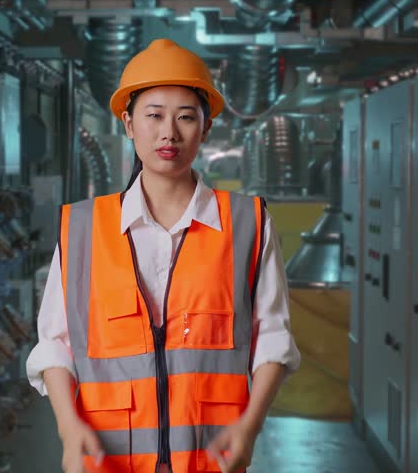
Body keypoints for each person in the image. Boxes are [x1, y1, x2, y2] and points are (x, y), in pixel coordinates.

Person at [26, 38, 300, 473]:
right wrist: (67, 427)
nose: (169, 132)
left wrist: (249, 427)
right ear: (128, 123)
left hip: (211, 459)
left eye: (186, 117)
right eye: (153, 116)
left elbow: (273, 338)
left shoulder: (247, 223)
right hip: (107, 459)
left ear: (205, 129)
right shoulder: (80, 229)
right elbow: (55, 346)